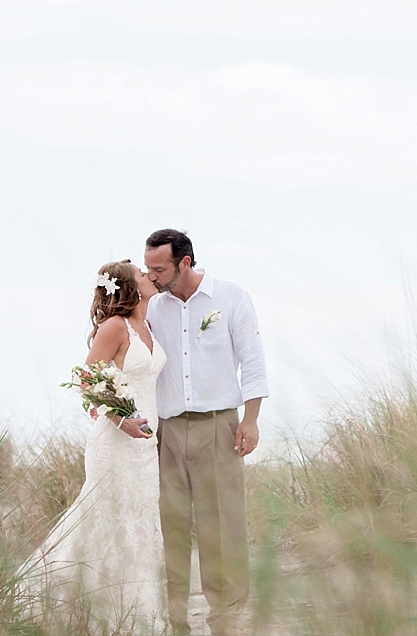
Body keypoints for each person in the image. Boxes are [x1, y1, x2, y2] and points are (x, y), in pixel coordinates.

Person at [23, 259, 167, 631]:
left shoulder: (147, 325)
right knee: (107, 521)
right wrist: (122, 419)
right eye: (141, 274)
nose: (150, 276)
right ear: (128, 288)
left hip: (145, 448)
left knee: (138, 524)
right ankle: (80, 608)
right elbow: (85, 381)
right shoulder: (115, 327)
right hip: (115, 444)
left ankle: (134, 613)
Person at [144, 229, 268, 636]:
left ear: (185, 262)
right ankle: (175, 616)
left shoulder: (230, 297)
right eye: (148, 269)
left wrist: (250, 419)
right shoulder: (152, 308)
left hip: (219, 425)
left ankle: (226, 614)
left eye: (159, 269)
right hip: (167, 431)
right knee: (172, 523)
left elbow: (252, 361)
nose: (153, 276)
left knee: (222, 521)